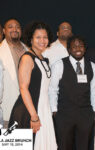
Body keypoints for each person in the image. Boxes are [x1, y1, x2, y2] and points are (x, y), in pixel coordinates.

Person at [8, 21, 57, 150]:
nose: (42, 40)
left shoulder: (44, 59)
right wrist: (34, 117)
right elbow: (23, 88)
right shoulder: (27, 58)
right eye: (38, 37)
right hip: (28, 112)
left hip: (43, 110)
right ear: (31, 39)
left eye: (45, 37)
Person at [49, 35, 95, 150]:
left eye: (80, 46)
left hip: (86, 115)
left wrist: (94, 111)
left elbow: (93, 91)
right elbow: (52, 89)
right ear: (69, 49)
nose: (78, 49)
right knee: (64, 146)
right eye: (74, 46)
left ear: (85, 48)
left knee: (84, 146)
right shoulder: (59, 65)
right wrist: (54, 110)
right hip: (64, 114)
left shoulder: (93, 67)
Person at [0, 18, 28, 127]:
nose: (14, 29)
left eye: (17, 27)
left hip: (27, 109)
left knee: (26, 143)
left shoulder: (28, 50)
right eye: (10, 27)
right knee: (10, 143)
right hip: (8, 108)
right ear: (4, 31)